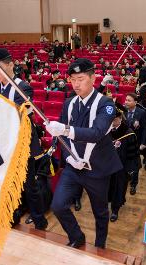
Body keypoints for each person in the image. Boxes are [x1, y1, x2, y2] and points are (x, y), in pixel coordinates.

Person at [46, 58, 123, 249]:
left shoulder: (106, 104)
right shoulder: (69, 103)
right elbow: (62, 138)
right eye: (72, 79)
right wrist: (69, 155)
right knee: (58, 205)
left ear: (93, 78)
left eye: (80, 78)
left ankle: (100, 247)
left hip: (96, 169)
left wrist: (64, 129)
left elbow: (96, 133)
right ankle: (77, 236)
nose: (76, 84)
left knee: (100, 213)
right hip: (74, 166)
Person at [0, 48, 48, 230]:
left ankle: (40, 220)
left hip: (22, 145)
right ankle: (13, 216)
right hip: (3, 144)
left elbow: (19, 114)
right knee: (8, 184)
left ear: (10, 65)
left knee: (29, 185)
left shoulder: (22, 87)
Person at [108, 109, 140, 222]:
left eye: (114, 119)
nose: (112, 121)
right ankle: (108, 202)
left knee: (119, 187)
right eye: (110, 119)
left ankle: (115, 210)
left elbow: (133, 153)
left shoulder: (128, 133)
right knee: (108, 186)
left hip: (122, 167)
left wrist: (130, 169)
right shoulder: (107, 130)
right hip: (108, 166)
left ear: (120, 119)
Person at [124, 93, 146, 194]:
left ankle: (133, 184)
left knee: (135, 164)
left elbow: (145, 128)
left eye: (129, 100)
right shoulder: (123, 111)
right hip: (124, 143)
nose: (126, 102)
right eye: (126, 100)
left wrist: (143, 142)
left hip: (136, 143)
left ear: (135, 102)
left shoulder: (141, 113)